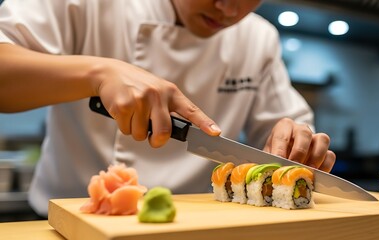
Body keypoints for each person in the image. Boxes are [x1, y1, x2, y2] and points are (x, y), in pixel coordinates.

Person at [0, 0, 336, 217]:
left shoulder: (259, 38)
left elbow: (281, 134)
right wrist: (98, 73)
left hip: (188, 225)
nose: (229, 9)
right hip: (67, 222)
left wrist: (295, 143)